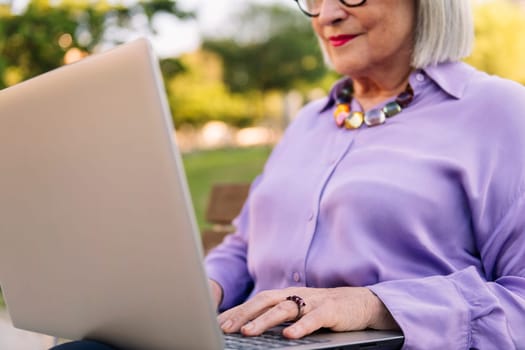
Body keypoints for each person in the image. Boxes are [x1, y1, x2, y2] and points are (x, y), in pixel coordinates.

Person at [53, 0, 525, 349]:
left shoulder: (500, 113)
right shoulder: (309, 122)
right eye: (315, 0)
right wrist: (203, 288)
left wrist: (370, 305)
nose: (326, 15)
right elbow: (243, 243)